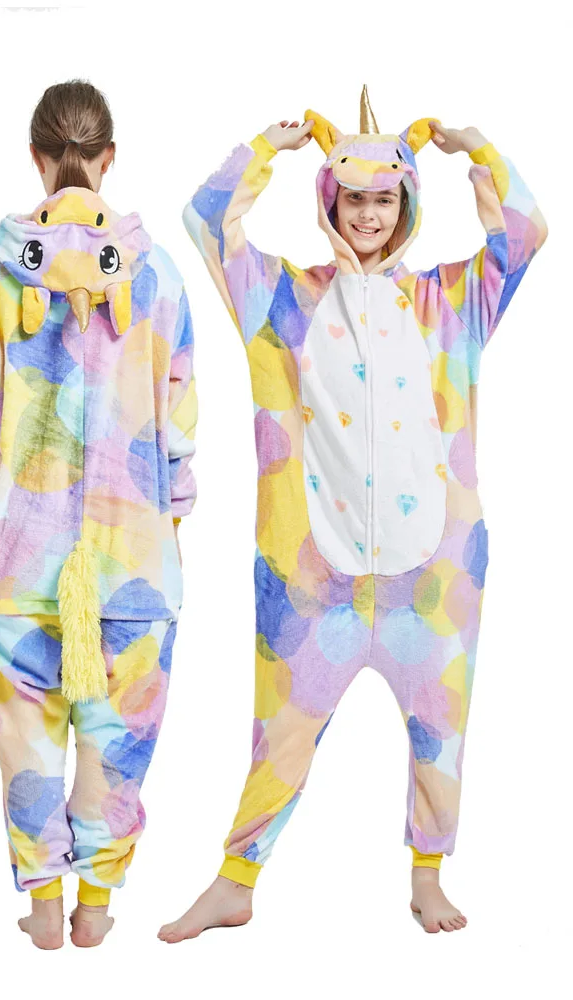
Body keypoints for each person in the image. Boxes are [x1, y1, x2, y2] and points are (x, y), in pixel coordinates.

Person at [159, 86, 546, 942]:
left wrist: (479, 151)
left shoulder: (450, 303)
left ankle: (427, 877)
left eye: (385, 200)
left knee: (441, 732)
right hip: (312, 578)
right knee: (278, 736)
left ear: (407, 205)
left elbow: (525, 234)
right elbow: (206, 220)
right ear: (329, 200)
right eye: (354, 198)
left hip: (433, 574)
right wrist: (266, 147)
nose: (369, 215)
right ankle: (236, 880)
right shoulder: (280, 301)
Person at [0, 80, 197, 949]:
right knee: (116, 743)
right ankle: (96, 907)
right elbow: (178, 420)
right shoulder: (156, 274)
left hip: (14, 551)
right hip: (133, 560)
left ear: (36, 157)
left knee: (27, 743)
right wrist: (172, 520)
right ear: (108, 157)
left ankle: (43, 907)